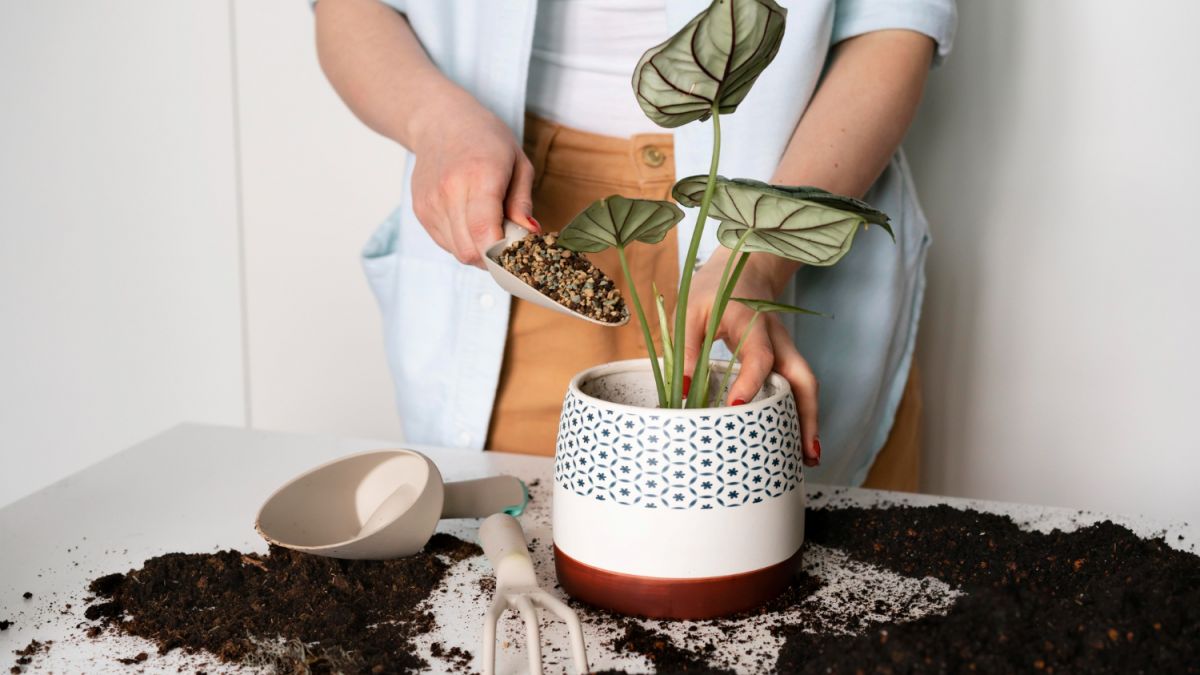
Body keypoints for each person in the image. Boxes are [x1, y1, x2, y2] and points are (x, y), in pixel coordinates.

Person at [313, 0, 956, 491]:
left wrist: (759, 260)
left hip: (791, 188)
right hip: (524, 215)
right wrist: (438, 124)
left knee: (795, 568)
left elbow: (896, 22)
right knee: (533, 559)